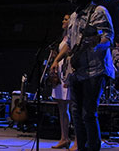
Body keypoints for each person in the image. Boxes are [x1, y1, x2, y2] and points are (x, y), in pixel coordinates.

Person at [51, 0, 114, 151]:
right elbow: (70, 44)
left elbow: (107, 38)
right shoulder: (73, 16)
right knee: (76, 113)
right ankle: (81, 148)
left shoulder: (99, 11)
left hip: (94, 70)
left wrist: (95, 43)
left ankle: (93, 148)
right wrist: (56, 60)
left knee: (88, 113)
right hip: (76, 72)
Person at [50, 14, 77, 150]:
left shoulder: (74, 36)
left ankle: (78, 140)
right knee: (62, 107)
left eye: (66, 19)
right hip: (60, 71)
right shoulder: (63, 37)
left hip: (69, 71)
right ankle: (64, 138)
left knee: (74, 107)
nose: (63, 21)